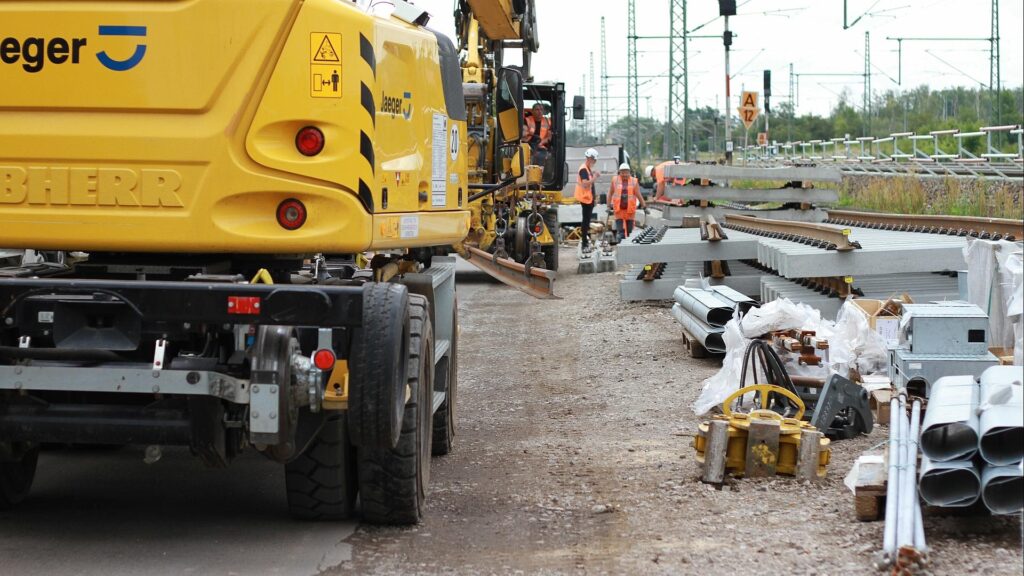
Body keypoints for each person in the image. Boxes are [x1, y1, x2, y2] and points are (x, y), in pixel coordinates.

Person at [608, 162, 647, 242]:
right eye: (622, 172)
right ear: (619, 172)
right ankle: (621, 249)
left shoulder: (634, 181)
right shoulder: (615, 180)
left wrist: (644, 206)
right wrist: (608, 206)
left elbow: (639, 195)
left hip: (630, 211)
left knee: (630, 234)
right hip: (619, 211)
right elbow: (610, 193)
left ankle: (628, 250)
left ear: (629, 172)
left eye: (626, 172)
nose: (624, 174)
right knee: (620, 233)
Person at [574, 148, 600, 252]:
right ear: (590, 158)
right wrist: (595, 177)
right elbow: (585, 183)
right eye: (594, 160)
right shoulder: (584, 169)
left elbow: (589, 185)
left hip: (588, 198)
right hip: (585, 199)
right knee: (585, 221)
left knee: (587, 220)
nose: (595, 162)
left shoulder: (587, 169)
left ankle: (585, 240)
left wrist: (594, 197)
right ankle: (584, 242)